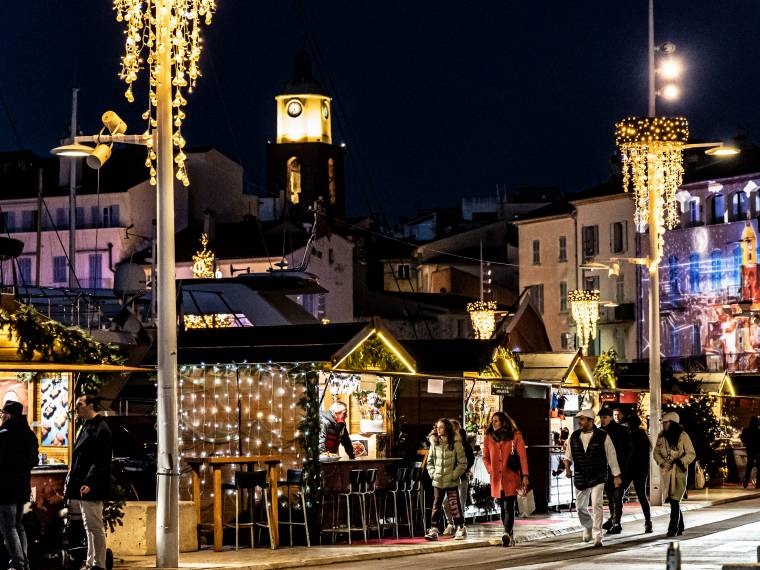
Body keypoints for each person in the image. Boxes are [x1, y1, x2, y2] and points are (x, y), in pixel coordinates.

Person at [65, 395, 113, 570]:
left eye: (80, 405)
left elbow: (102, 460)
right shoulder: (89, 426)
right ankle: (92, 561)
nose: (76, 408)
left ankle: (98, 563)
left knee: (94, 525)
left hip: (91, 485)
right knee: (89, 525)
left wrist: (90, 482)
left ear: (90, 406)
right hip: (84, 483)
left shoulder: (101, 429)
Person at [563, 409, 621, 548]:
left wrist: (616, 476)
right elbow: (568, 455)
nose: (580, 422)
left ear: (590, 421)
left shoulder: (603, 436)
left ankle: (597, 536)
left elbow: (611, 456)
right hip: (581, 476)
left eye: (582, 419)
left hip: (598, 475)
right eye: (579, 420)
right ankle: (588, 526)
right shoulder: (574, 436)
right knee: (580, 507)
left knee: (596, 504)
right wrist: (567, 468)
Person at [0, 401, 38, 570]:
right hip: (22, 487)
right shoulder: (29, 433)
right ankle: (24, 562)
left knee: (8, 527)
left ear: (10, 415)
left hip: (6, 488)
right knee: (18, 525)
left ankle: (18, 564)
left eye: (3, 413)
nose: (1, 416)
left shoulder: (4, 433)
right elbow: (34, 460)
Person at [482, 411, 529, 547]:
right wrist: (490, 469)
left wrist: (525, 475)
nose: (493, 423)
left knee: (509, 505)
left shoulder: (515, 436)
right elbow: (485, 456)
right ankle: (509, 533)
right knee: (502, 507)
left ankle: (507, 532)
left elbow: (523, 457)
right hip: (496, 478)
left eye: (496, 420)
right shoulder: (488, 437)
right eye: (492, 421)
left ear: (503, 422)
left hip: (511, 477)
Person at [653, 411, 696, 537]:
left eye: (666, 423)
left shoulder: (683, 436)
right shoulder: (661, 436)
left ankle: (673, 528)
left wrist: (681, 461)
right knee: (673, 501)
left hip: (679, 472)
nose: (664, 425)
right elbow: (656, 452)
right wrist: (662, 462)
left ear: (672, 423)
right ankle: (680, 526)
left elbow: (691, 453)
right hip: (666, 472)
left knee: (675, 499)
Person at [424, 418, 467, 541]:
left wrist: (454, 475)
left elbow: (463, 463)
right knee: (436, 505)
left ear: (447, 429)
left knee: (454, 504)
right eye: (437, 427)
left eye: (441, 427)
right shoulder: (434, 443)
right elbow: (430, 462)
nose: (438, 429)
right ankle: (433, 529)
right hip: (438, 480)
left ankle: (460, 527)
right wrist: (433, 474)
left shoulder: (456, 443)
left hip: (451, 480)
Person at [598, 407, 632, 535]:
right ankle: (613, 519)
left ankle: (616, 522)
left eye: (605, 417)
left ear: (611, 417)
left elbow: (628, 449)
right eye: (601, 417)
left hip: (617, 468)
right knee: (611, 497)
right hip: (606, 469)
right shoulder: (600, 431)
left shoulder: (621, 430)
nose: (602, 420)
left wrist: (621, 465)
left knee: (616, 496)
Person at [442, 419, 474, 537]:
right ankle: (450, 523)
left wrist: (464, 469)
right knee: (446, 502)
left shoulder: (463, 444)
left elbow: (470, 458)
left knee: (460, 502)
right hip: (450, 478)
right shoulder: (447, 443)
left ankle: (461, 526)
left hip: (461, 478)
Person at [624, 414, 653, 533]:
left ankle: (615, 520)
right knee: (642, 496)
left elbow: (628, 453)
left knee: (620, 493)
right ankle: (648, 521)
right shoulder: (643, 435)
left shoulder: (630, 435)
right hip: (641, 470)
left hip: (630, 469)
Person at [740, 416, 760, 489]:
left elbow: (742, 439)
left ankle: (746, 481)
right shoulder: (758, 431)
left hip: (750, 450)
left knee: (749, 466)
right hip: (758, 450)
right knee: (759, 467)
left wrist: (747, 443)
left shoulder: (746, 430)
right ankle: (758, 483)